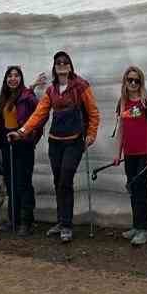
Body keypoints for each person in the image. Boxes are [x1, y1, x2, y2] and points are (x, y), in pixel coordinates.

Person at [11, 50, 99, 242]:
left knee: (65, 179)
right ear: (54, 66)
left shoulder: (80, 86)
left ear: (70, 65)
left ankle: (66, 225)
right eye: (58, 62)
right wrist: (22, 131)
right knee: (58, 180)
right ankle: (61, 221)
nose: (62, 64)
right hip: (55, 141)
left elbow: (93, 112)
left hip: (75, 141)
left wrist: (91, 135)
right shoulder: (51, 90)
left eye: (65, 62)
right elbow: (39, 114)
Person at [113, 66, 147, 246]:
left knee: (140, 189)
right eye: (129, 80)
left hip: (145, 154)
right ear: (125, 81)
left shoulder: (146, 101)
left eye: (136, 80)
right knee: (133, 189)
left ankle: (144, 230)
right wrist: (118, 153)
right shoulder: (123, 102)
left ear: (141, 82)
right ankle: (136, 225)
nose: (133, 83)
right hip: (130, 153)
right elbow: (121, 129)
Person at [0, 65, 40, 235]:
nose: (12, 78)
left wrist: (28, 136)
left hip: (23, 142)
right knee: (10, 181)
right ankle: (12, 219)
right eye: (9, 76)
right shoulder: (5, 98)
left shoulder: (28, 96)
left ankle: (26, 221)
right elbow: (5, 122)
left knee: (23, 182)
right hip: (7, 142)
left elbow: (39, 117)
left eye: (16, 75)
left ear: (21, 79)